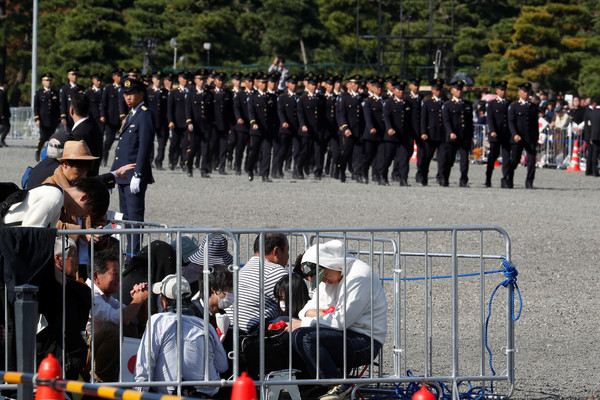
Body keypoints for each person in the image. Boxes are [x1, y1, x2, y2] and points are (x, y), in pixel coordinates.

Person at [287, 240, 387, 400]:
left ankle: (337, 384)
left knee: (304, 336)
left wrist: (307, 321)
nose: (323, 281)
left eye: (324, 276)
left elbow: (341, 321)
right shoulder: (330, 274)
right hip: (339, 334)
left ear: (330, 264)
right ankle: (308, 385)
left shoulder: (360, 277)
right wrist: (313, 314)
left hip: (364, 340)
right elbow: (305, 310)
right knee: (284, 323)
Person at [135, 275, 228, 397]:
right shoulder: (204, 325)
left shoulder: (157, 321)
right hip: (206, 394)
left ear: (164, 301)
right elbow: (222, 366)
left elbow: (144, 367)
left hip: (170, 395)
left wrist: (137, 395)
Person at [111, 77, 155, 256]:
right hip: (123, 176)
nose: (128, 97)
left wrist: (138, 173)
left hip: (133, 176)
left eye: (131, 94)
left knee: (135, 219)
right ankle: (129, 253)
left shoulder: (144, 114)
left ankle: (134, 254)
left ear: (141, 94)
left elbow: (145, 146)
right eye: (126, 94)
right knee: (126, 218)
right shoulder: (132, 114)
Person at [37, 238, 91, 380]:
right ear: (58, 258)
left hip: (68, 359)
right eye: (74, 257)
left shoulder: (79, 290)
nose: (78, 263)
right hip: (50, 360)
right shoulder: (45, 288)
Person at [225, 233, 289, 333]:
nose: (288, 256)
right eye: (287, 250)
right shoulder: (275, 271)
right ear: (276, 251)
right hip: (254, 336)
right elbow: (300, 302)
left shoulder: (244, 269)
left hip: (232, 333)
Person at [441, 80, 474, 187]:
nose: (459, 92)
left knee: (464, 161)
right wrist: (450, 132)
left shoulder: (467, 104)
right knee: (449, 159)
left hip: (464, 136)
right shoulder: (448, 105)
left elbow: (470, 122)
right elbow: (446, 121)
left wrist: (471, 135)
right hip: (453, 136)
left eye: (461, 90)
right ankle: (445, 178)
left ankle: (463, 180)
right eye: (457, 90)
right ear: (452, 91)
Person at [508, 82, 539, 189]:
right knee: (515, 160)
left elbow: (535, 124)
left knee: (531, 161)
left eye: (527, 92)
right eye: (524, 91)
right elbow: (511, 122)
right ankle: (509, 179)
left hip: (530, 138)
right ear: (519, 92)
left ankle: (529, 182)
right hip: (518, 137)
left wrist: (536, 139)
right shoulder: (514, 106)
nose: (526, 94)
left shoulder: (533, 107)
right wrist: (515, 134)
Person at [382, 80, 412, 186]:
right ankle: (383, 175)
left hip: (404, 136)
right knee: (388, 157)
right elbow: (386, 117)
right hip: (392, 136)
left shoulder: (407, 104)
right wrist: (389, 128)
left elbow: (410, 121)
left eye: (402, 90)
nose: (401, 92)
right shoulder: (389, 103)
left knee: (404, 158)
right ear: (394, 90)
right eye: (399, 90)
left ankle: (403, 179)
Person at [335, 75, 365, 183]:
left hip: (359, 130)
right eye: (354, 83)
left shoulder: (362, 98)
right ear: (348, 85)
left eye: (358, 84)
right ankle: (342, 171)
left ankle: (358, 174)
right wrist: (345, 127)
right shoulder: (344, 97)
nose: (356, 86)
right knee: (346, 152)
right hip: (348, 130)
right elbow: (341, 114)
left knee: (359, 154)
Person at [185, 69, 214, 178]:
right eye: (200, 79)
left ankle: (204, 170)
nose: (202, 81)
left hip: (206, 126)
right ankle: (189, 166)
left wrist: (212, 124)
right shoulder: (191, 93)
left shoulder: (209, 94)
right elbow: (188, 109)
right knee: (193, 149)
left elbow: (211, 111)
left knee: (205, 149)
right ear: (195, 80)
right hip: (195, 126)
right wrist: (189, 122)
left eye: (203, 79)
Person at [418, 78, 445, 186]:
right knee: (427, 157)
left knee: (443, 158)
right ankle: (424, 176)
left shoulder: (445, 102)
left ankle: (441, 177)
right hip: (430, 134)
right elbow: (423, 119)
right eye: (436, 90)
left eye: (440, 89)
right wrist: (423, 132)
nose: (438, 92)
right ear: (432, 90)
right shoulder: (427, 103)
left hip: (442, 134)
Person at [485, 81, 511, 188]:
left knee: (506, 158)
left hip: (506, 135)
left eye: (504, 89)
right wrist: (492, 130)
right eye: (501, 89)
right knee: (493, 156)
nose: (503, 92)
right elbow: (490, 119)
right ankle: (488, 177)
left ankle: (505, 178)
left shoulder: (509, 104)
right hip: (496, 134)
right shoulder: (491, 104)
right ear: (496, 91)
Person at [70, 94, 103, 176]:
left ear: (71, 110)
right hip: (93, 176)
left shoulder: (77, 134)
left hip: (81, 180)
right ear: (89, 110)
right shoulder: (94, 127)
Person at [100, 68, 125, 166]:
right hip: (111, 119)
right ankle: (104, 158)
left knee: (121, 142)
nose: (120, 78)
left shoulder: (124, 88)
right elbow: (103, 103)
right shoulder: (109, 88)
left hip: (121, 120)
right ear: (113, 77)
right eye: (118, 76)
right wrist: (102, 115)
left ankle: (117, 160)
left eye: (121, 76)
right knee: (109, 140)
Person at [33, 73, 60, 157]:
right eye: (46, 80)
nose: (48, 82)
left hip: (53, 120)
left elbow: (58, 108)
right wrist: (37, 119)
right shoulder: (39, 93)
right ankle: (38, 152)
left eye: (50, 80)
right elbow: (36, 107)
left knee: (52, 138)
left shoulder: (55, 93)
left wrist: (58, 120)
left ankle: (51, 154)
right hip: (43, 120)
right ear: (42, 82)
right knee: (43, 137)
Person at [146, 71, 169, 170]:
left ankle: (159, 161)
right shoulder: (148, 92)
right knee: (149, 143)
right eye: (156, 79)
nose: (158, 81)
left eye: (160, 79)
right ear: (153, 79)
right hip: (151, 121)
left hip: (163, 121)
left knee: (162, 143)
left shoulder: (165, 92)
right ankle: (149, 161)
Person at [167, 71, 190, 171]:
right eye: (183, 78)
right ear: (179, 79)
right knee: (174, 144)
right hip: (176, 123)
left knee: (185, 145)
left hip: (187, 123)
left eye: (186, 78)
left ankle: (183, 162)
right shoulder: (174, 92)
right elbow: (170, 109)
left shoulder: (190, 92)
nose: (185, 80)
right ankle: (172, 161)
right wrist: (170, 121)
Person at [212, 72, 233, 174]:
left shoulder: (228, 93)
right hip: (214, 124)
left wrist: (230, 125)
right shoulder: (211, 93)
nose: (221, 82)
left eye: (222, 80)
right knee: (213, 146)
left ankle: (222, 167)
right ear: (215, 81)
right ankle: (213, 164)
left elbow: (230, 111)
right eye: (219, 80)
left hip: (224, 124)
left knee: (224, 147)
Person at [59, 67, 85, 133]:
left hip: (79, 115)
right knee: (69, 133)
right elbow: (63, 103)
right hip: (69, 116)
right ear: (68, 76)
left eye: (76, 75)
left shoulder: (81, 88)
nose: (75, 76)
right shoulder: (65, 88)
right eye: (73, 75)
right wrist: (63, 117)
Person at [0, 80, 9, 148]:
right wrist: (2, 114)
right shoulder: (2, 93)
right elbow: (2, 104)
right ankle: (2, 140)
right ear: (4, 85)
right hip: (2, 114)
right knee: (7, 126)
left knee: (3, 127)